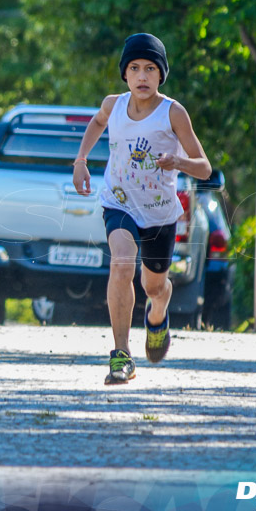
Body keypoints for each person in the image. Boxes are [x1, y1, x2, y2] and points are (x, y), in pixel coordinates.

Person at [72, 33, 210, 385]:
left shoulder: (173, 112)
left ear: (161, 74)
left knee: (154, 287)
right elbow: (97, 122)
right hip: (118, 203)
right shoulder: (113, 104)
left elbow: (204, 167)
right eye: (134, 69)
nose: (142, 76)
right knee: (120, 264)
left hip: (160, 214)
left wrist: (178, 160)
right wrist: (82, 159)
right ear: (125, 74)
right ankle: (121, 355)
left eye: (150, 69)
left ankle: (158, 313)